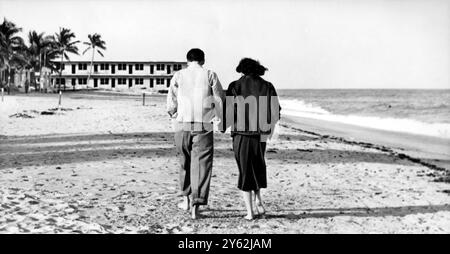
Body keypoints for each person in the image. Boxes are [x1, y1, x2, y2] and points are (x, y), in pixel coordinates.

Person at [167, 48, 225, 219]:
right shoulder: (210, 74)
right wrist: (220, 122)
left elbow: (171, 99)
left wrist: (173, 114)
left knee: (184, 161)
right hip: (203, 124)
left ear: (187, 60)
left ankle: (185, 200)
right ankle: (196, 207)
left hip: (181, 123)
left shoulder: (178, 75)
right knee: (201, 165)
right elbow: (219, 99)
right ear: (203, 60)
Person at [224, 58, 280, 220]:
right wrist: (270, 129)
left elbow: (229, 112)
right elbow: (275, 111)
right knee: (257, 165)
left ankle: (250, 212)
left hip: (242, 134)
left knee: (245, 170)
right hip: (261, 133)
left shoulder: (235, 86)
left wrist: (224, 126)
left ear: (241, 70)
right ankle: (258, 199)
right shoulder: (267, 86)